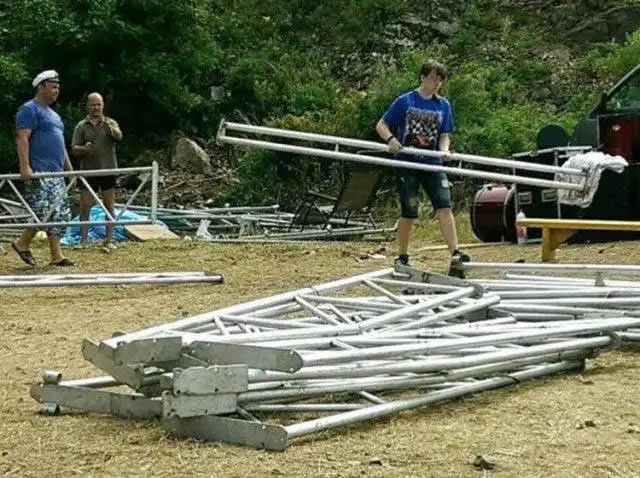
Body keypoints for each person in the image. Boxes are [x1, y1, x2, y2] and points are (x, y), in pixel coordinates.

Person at [375, 58, 469, 267]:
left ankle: (455, 252)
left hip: (432, 162)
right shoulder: (405, 101)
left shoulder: (443, 105)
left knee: (444, 206)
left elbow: (444, 135)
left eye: (440, 80)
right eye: (434, 79)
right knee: (410, 211)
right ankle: (402, 255)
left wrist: (444, 151)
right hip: (407, 162)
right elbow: (381, 125)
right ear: (423, 77)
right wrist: (391, 140)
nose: (437, 83)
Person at [12, 69, 74, 267]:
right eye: (53, 87)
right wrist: (25, 167)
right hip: (40, 171)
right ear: (42, 87)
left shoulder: (54, 115)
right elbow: (22, 138)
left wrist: (70, 170)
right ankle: (21, 243)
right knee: (42, 210)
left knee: (59, 213)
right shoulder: (29, 109)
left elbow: (61, 145)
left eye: (58, 87)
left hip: (57, 172)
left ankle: (56, 255)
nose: (57, 91)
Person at [71, 92, 123, 251]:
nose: (96, 108)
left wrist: (110, 129)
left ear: (103, 106)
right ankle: (83, 240)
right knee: (85, 206)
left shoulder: (110, 122)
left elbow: (119, 137)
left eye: (98, 104)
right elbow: (74, 148)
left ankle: (109, 240)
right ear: (88, 106)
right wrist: (83, 149)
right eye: (93, 105)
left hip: (108, 170)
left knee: (109, 206)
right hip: (88, 172)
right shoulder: (81, 126)